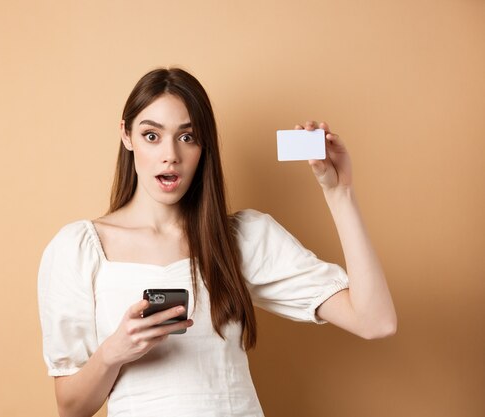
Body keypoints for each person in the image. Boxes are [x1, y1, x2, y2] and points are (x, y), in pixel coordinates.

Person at [37, 67, 397, 417]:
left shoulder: (239, 239)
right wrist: (113, 352)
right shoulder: (79, 249)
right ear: (126, 135)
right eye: (152, 135)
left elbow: (375, 321)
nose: (170, 155)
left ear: (203, 146)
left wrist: (339, 192)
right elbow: (70, 408)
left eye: (187, 137)